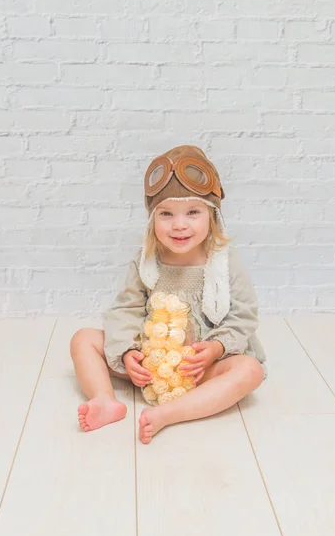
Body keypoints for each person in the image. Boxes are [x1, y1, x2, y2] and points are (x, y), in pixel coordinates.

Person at [70, 145, 267, 444]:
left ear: (211, 216)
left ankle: (172, 412)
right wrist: (127, 352)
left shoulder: (223, 261)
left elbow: (244, 313)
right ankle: (104, 400)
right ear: (152, 218)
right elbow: (126, 308)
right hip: (152, 363)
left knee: (250, 371)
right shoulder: (147, 261)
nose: (179, 224)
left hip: (200, 367)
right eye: (166, 213)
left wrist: (214, 349)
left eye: (193, 212)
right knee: (83, 338)